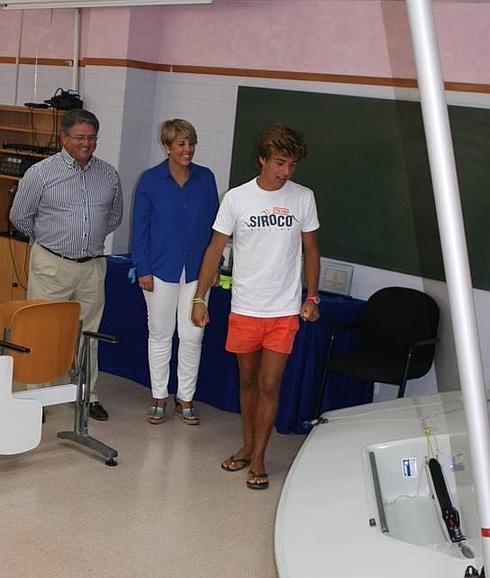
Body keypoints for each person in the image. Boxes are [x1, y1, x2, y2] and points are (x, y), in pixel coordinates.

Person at [191, 125, 320, 490]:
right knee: (247, 382)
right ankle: (249, 445)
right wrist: (200, 297)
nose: (286, 172)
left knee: (269, 384)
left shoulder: (303, 198)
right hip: (245, 307)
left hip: (282, 311)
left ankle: (259, 457)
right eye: (280, 163)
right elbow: (214, 250)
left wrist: (312, 297)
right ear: (262, 159)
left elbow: (311, 250)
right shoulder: (236, 198)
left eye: (292, 165)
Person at [10, 109, 123, 421]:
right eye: (80, 137)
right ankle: (36, 396)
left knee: (89, 334)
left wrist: (86, 241)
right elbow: (19, 216)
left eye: (91, 138)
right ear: (64, 138)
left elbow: (114, 217)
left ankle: (87, 393)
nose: (86, 144)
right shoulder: (41, 173)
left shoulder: (109, 174)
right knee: (43, 331)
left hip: (92, 267)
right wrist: (51, 242)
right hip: (52, 265)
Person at [132, 119, 219, 426]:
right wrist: (142, 267)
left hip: (198, 273)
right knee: (160, 334)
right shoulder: (151, 180)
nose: (188, 150)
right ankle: (159, 396)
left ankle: (186, 398)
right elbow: (140, 228)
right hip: (158, 270)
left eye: (191, 143)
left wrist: (215, 267)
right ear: (167, 147)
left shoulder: (205, 179)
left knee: (193, 335)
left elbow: (216, 230)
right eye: (181, 144)